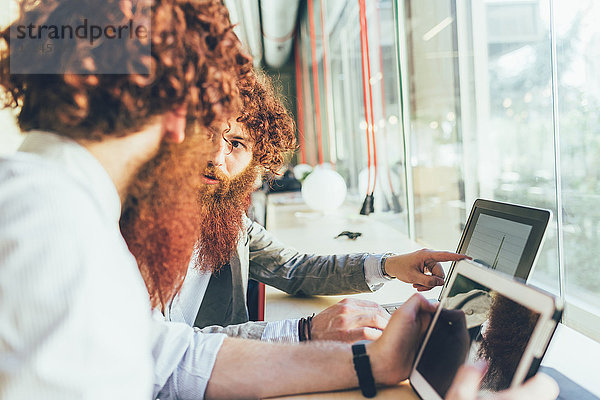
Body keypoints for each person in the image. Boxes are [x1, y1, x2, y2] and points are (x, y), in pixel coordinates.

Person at [0, 1, 559, 399]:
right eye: (207, 119)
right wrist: (311, 335)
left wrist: (371, 363)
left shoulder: (51, 204)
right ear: (179, 114)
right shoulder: (57, 232)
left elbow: (168, 359)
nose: (212, 154)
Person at [120, 73, 468, 343]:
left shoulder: (230, 223)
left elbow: (295, 268)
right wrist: (305, 332)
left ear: (257, 159)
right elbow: (161, 350)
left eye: (236, 143)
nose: (215, 156)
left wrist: (389, 265)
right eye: (205, 134)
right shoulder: (126, 229)